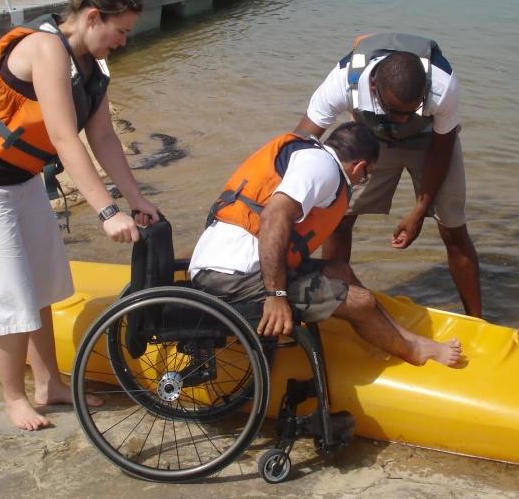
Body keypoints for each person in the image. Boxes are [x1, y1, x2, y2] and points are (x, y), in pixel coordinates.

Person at [0, 0, 160, 431]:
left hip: (20, 180)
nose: (123, 40)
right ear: (92, 17)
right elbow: (65, 138)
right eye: (119, 30)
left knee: (44, 283)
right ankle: (15, 398)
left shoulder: (93, 66)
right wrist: (106, 210)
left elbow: (103, 138)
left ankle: (50, 384)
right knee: (9, 293)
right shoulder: (46, 48)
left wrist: (136, 199)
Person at [189, 121, 462, 367]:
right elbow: (274, 216)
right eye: (366, 175)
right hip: (231, 276)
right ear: (358, 166)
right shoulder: (322, 169)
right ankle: (414, 352)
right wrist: (276, 296)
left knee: (339, 270)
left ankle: (406, 338)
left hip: (230, 263)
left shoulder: (310, 156)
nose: (361, 181)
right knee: (361, 302)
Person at [295, 33, 482, 318]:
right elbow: (301, 141)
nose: (403, 119)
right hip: (374, 139)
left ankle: (477, 320)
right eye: (395, 110)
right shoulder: (344, 81)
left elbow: (442, 149)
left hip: (431, 142)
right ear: (372, 86)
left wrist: (419, 210)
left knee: (453, 228)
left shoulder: (442, 85)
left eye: (413, 110)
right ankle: (334, 308)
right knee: (337, 217)